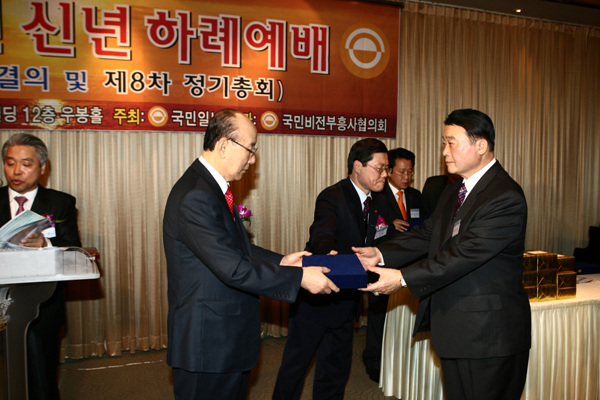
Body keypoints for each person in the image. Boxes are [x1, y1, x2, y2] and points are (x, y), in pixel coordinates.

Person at [354, 109, 531, 400]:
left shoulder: (504, 196)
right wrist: (380, 253)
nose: (444, 152)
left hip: (489, 336)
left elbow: (463, 254)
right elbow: (428, 234)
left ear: (481, 146)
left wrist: (402, 278)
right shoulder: (454, 191)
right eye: (443, 143)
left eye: (451, 143)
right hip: (455, 329)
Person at [162, 108, 339, 400]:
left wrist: (282, 261)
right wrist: (299, 278)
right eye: (250, 149)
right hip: (208, 345)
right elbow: (233, 267)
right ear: (223, 145)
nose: (253, 160)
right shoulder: (196, 195)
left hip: (222, 341)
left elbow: (231, 248)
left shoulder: (211, 188)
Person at [272, 138, 397, 400]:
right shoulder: (333, 196)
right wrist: (327, 252)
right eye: (379, 168)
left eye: (387, 168)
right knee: (296, 365)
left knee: (335, 369)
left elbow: (386, 237)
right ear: (357, 166)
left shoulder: (381, 200)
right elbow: (323, 231)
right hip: (316, 297)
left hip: (348, 297)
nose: (385, 174)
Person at [1, 132, 82, 400]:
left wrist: (46, 244)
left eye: (26, 164)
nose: (16, 171)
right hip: (1, 301)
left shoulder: (60, 202)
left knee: (42, 373)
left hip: (42, 304)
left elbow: (73, 248)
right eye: (10, 163)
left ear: (42, 167)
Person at [362, 146, 425, 382]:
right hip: (381, 263)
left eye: (410, 172)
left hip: (409, 266)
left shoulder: (416, 196)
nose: (407, 177)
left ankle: (399, 363)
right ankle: (374, 362)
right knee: (378, 316)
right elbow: (368, 229)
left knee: (404, 318)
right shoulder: (377, 195)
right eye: (401, 172)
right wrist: (389, 226)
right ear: (389, 171)